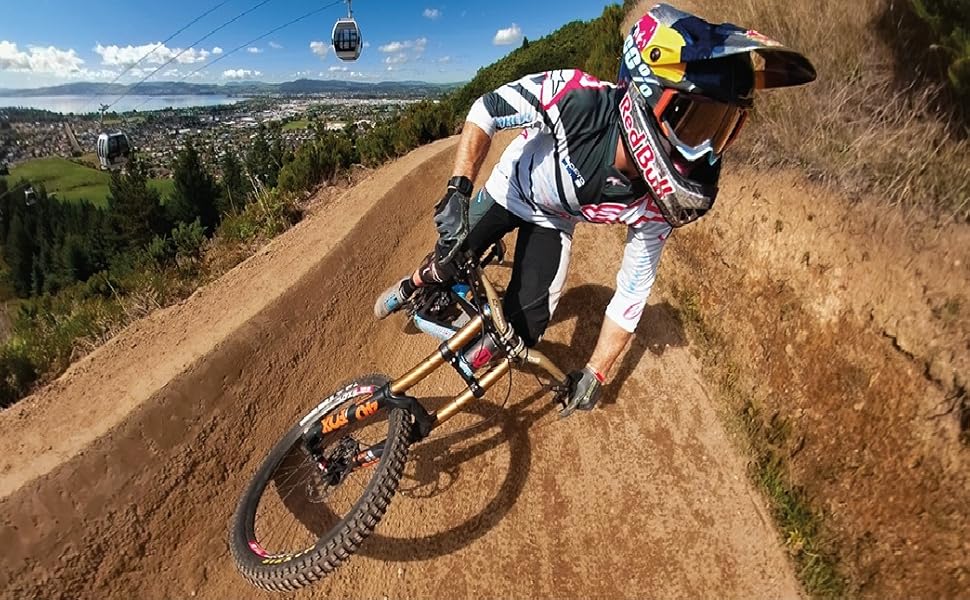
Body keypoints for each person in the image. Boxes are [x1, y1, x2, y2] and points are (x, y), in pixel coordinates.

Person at [375, 3, 816, 414]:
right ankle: (414, 284)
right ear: (648, 95)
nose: (703, 152)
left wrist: (597, 371)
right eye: (692, 122)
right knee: (449, 255)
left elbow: (631, 296)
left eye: (720, 130)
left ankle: (466, 340)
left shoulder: (656, 206)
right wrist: (458, 190)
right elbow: (487, 109)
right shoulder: (578, 97)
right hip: (512, 187)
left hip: (554, 219)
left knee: (522, 332)